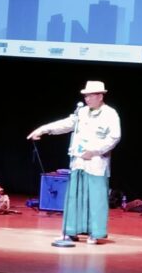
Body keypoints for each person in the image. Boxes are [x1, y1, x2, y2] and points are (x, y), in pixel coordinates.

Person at [27, 80, 121, 245]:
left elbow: (114, 137)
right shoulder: (82, 112)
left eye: (90, 95)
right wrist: (43, 129)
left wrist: (94, 151)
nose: (87, 99)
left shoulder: (110, 113)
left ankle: (95, 233)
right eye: (85, 96)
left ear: (100, 96)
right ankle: (71, 232)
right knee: (74, 197)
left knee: (96, 198)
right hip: (78, 161)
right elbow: (66, 124)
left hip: (96, 162)